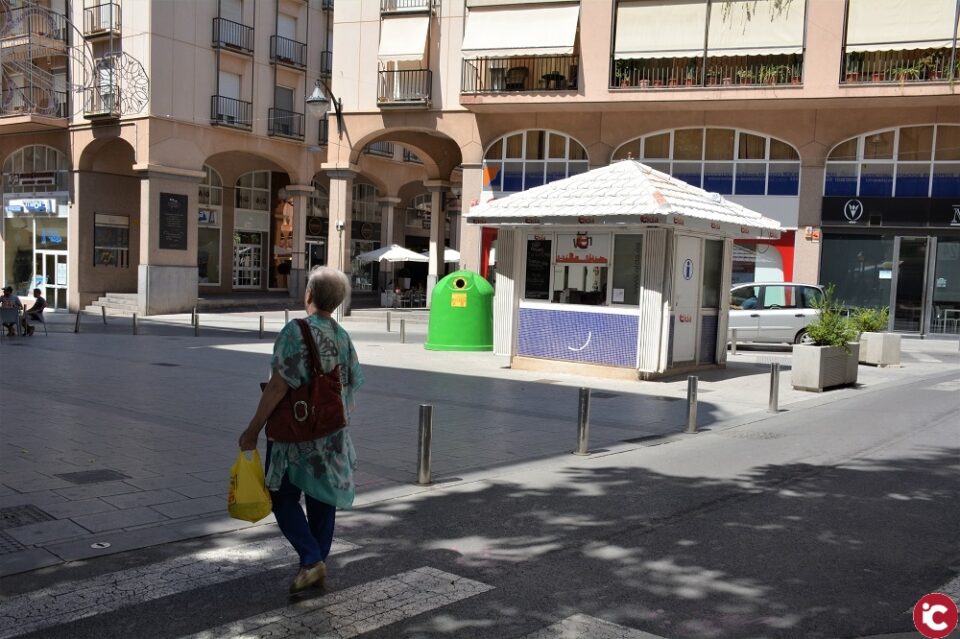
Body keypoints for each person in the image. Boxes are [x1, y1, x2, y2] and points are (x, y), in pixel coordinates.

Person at [238, 267, 364, 595]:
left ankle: (310, 560)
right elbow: (350, 386)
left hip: (296, 433)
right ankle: (315, 561)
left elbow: (279, 384)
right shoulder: (342, 335)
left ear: (309, 294)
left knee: (281, 497)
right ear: (336, 302)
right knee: (323, 499)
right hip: (332, 433)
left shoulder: (295, 331)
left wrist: (253, 428)